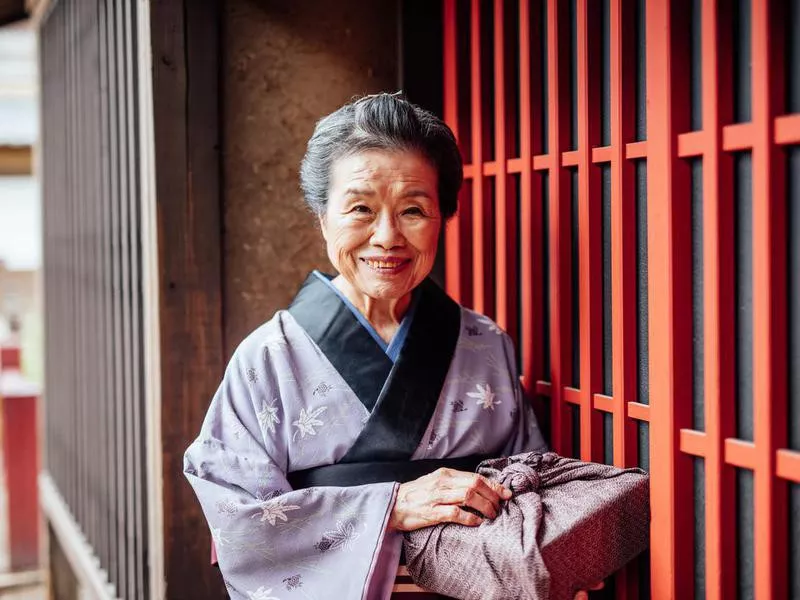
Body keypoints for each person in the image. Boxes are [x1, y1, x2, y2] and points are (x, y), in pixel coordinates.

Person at [184, 93, 548, 600]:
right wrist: (392, 507)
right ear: (322, 216)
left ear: (443, 215)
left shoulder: (486, 344)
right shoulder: (268, 357)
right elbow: (241, 524)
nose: (387, 236)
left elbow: (531, 482)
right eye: (360, 208)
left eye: (414, 210)